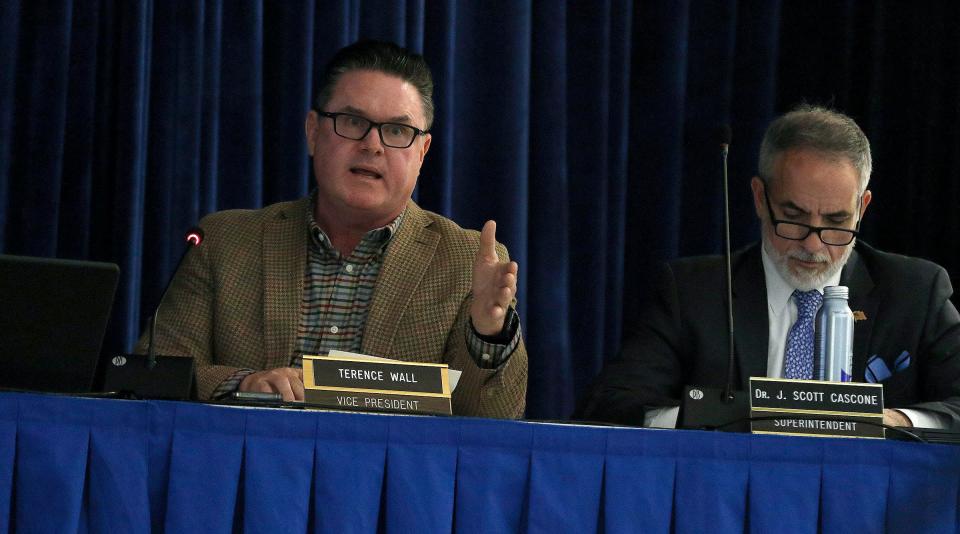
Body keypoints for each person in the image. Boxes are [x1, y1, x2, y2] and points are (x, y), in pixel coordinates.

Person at [137, 40, 527, 418]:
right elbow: (149, 374)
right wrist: (245, 385)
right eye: (353, 122)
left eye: (396, 131)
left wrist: (488, 333)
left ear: (422, 152)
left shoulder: (465, 261)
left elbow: (494, 422)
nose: (372, 145)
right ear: (313, 131)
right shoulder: (224, 241)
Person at [577, 105, 960, 430]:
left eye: (836, 221)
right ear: (761, 198)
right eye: (793, 217)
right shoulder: (694, 292)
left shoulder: (915, 292)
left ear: (862, 208)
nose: (813, 244)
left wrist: (896, 421)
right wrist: (737, 418)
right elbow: (611, 405)